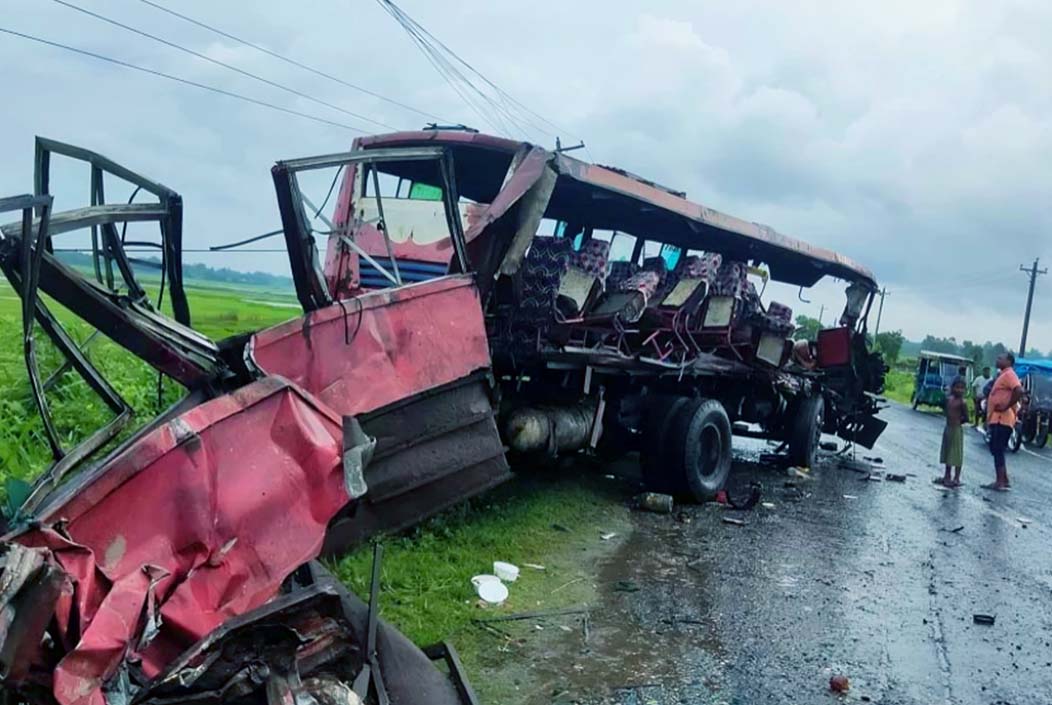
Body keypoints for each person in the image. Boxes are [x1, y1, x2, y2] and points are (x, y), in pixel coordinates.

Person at [985, 352, 1023, 491]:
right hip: (997, 419)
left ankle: (1000, 481)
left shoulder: (1009, 374)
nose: (997, 359)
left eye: (1000, 358)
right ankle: (1003, 479)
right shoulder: (1003, 374)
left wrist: (1006, 405)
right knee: (997, 449)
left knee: (997, 449)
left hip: (1003, 419)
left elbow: (1018, 390)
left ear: (1008, 361)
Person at [939, 377, 969, 487]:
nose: (959, 390)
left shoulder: (962, 403)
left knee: (956, 454)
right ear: (953, 388)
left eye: (962, 388)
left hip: (956, 429)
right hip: (948, 428)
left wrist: (958, 422)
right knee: (947, 452)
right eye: (957, 387)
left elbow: (966, 418)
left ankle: (956, 477)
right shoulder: (949, 400)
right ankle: (947, 475)